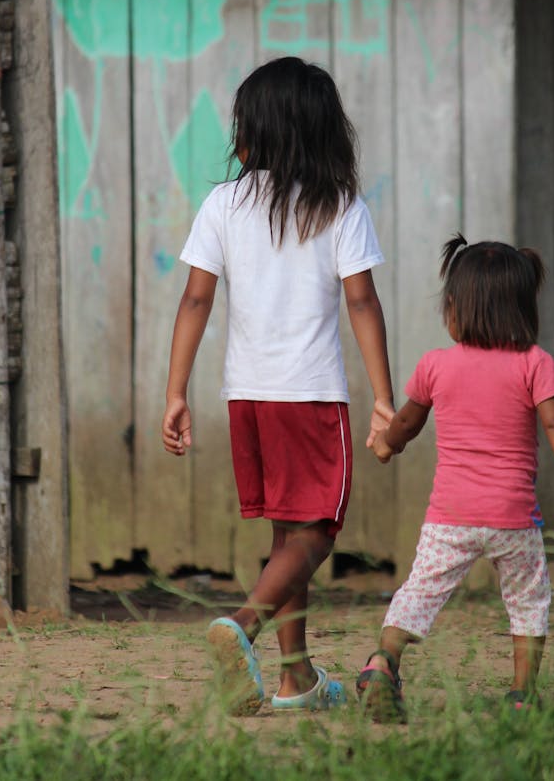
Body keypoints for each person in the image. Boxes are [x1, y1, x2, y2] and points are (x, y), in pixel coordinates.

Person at [162, 56, 393, 715]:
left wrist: (176, 391)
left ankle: (296, 680)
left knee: (283, 539)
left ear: (252, 134)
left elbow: (195, 301)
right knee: (316, 536)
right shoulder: (339, 204)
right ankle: (245, 626)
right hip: (311, 396)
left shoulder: (223, 203)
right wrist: (382, 396)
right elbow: (363, 304)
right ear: (324, 132)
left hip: (249, 398)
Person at [357, 233, 554, 722]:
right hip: (514, 517)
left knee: (420, 591)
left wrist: (386, 444)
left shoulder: (436, 365)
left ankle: (384, 662)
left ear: (454, 309)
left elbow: (407, 422)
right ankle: (521, 695)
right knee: (529, 599)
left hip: (451, 514)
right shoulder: (534, 364)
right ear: (522, 310)